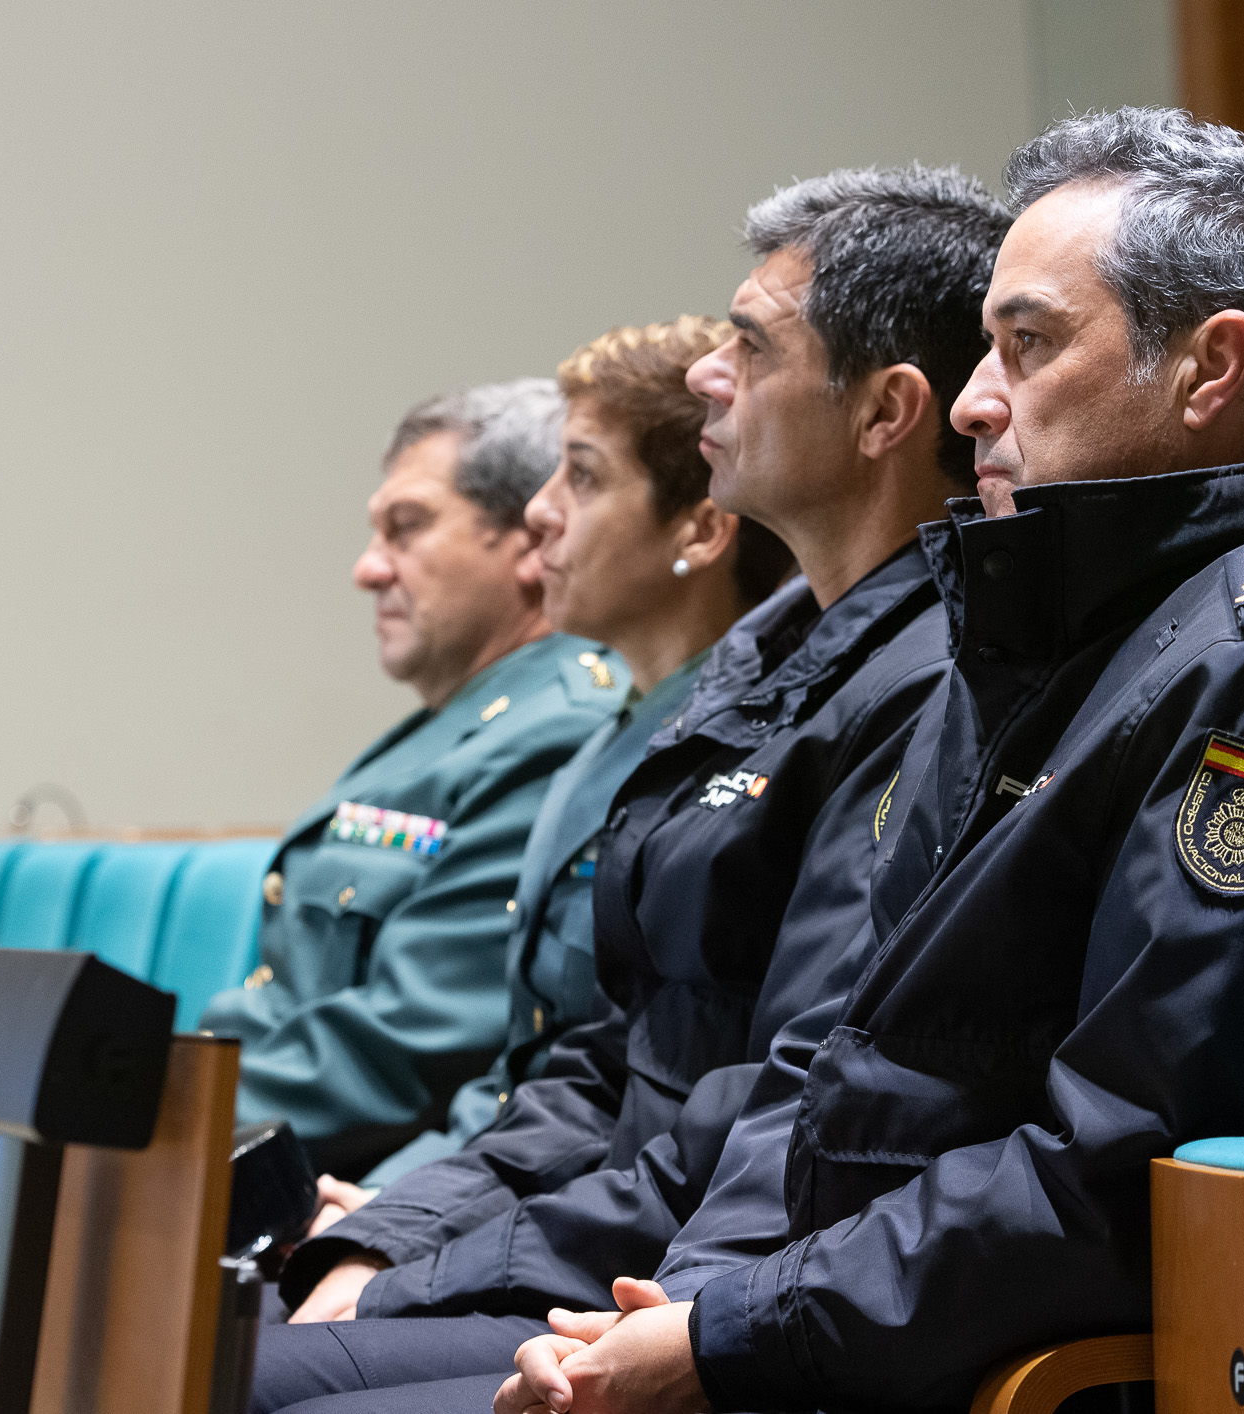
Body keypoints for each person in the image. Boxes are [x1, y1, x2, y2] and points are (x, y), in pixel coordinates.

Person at [494, 108, 1244, 1414]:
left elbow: (1129, 1170)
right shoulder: (1069, 658)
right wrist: (697, 1301)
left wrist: (732, 1334)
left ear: (1209, 370)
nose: (975, 401)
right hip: (842, 1335)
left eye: (1027, 345)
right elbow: (835, 1059)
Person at [259, 165, 1009, 1409]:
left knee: (211, 1373)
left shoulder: (930, 685)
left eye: (751, 347)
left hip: (691, 1284)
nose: (711, 373)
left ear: (884, 414)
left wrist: (419, 1268)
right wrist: (401, 1228)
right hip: (616, 1243)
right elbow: (612, 1056)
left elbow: (778, 1108)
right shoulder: (767, 662)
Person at [307, 316, 795, 1202]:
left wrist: (400, 1218)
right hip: (503, 1180)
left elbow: (647, 1096)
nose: (539, 512)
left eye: (582, 476)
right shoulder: (615, 738)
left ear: (698, 530)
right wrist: (392, 1207)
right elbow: (530, 1070)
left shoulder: (739, 756)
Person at [201, 380, 625, 1175]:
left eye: (407, 529)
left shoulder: (553, 730)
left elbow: (411, 1040)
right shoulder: (460, 722)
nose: (368, 570)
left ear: (529, 537)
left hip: (360, 1188)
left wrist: (162, 1112)